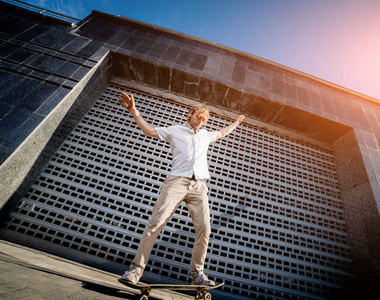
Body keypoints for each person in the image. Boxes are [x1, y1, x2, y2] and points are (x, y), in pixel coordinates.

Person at [117, 93, 245, 286]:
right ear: (190, 114)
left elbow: (222, 133)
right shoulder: (175, 130)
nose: (200, 121)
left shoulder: (205, 135)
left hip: (199, 186)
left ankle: (198, 275)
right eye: (198, 117)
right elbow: (149, 131)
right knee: (156, 223)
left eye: (204, 119)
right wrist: (133, 110)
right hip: (176, 182)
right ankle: (136, 270)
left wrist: (236, 123)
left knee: (205, 228)